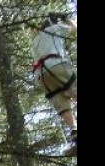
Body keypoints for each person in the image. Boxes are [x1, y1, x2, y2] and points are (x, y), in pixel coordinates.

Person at [31, 13, 77, 142]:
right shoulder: (54, 29)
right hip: (56, 65)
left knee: (61, 103)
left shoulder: (36, 39)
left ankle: (75, 130)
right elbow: (75, 29)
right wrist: (66, 18)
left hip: (41, 75)